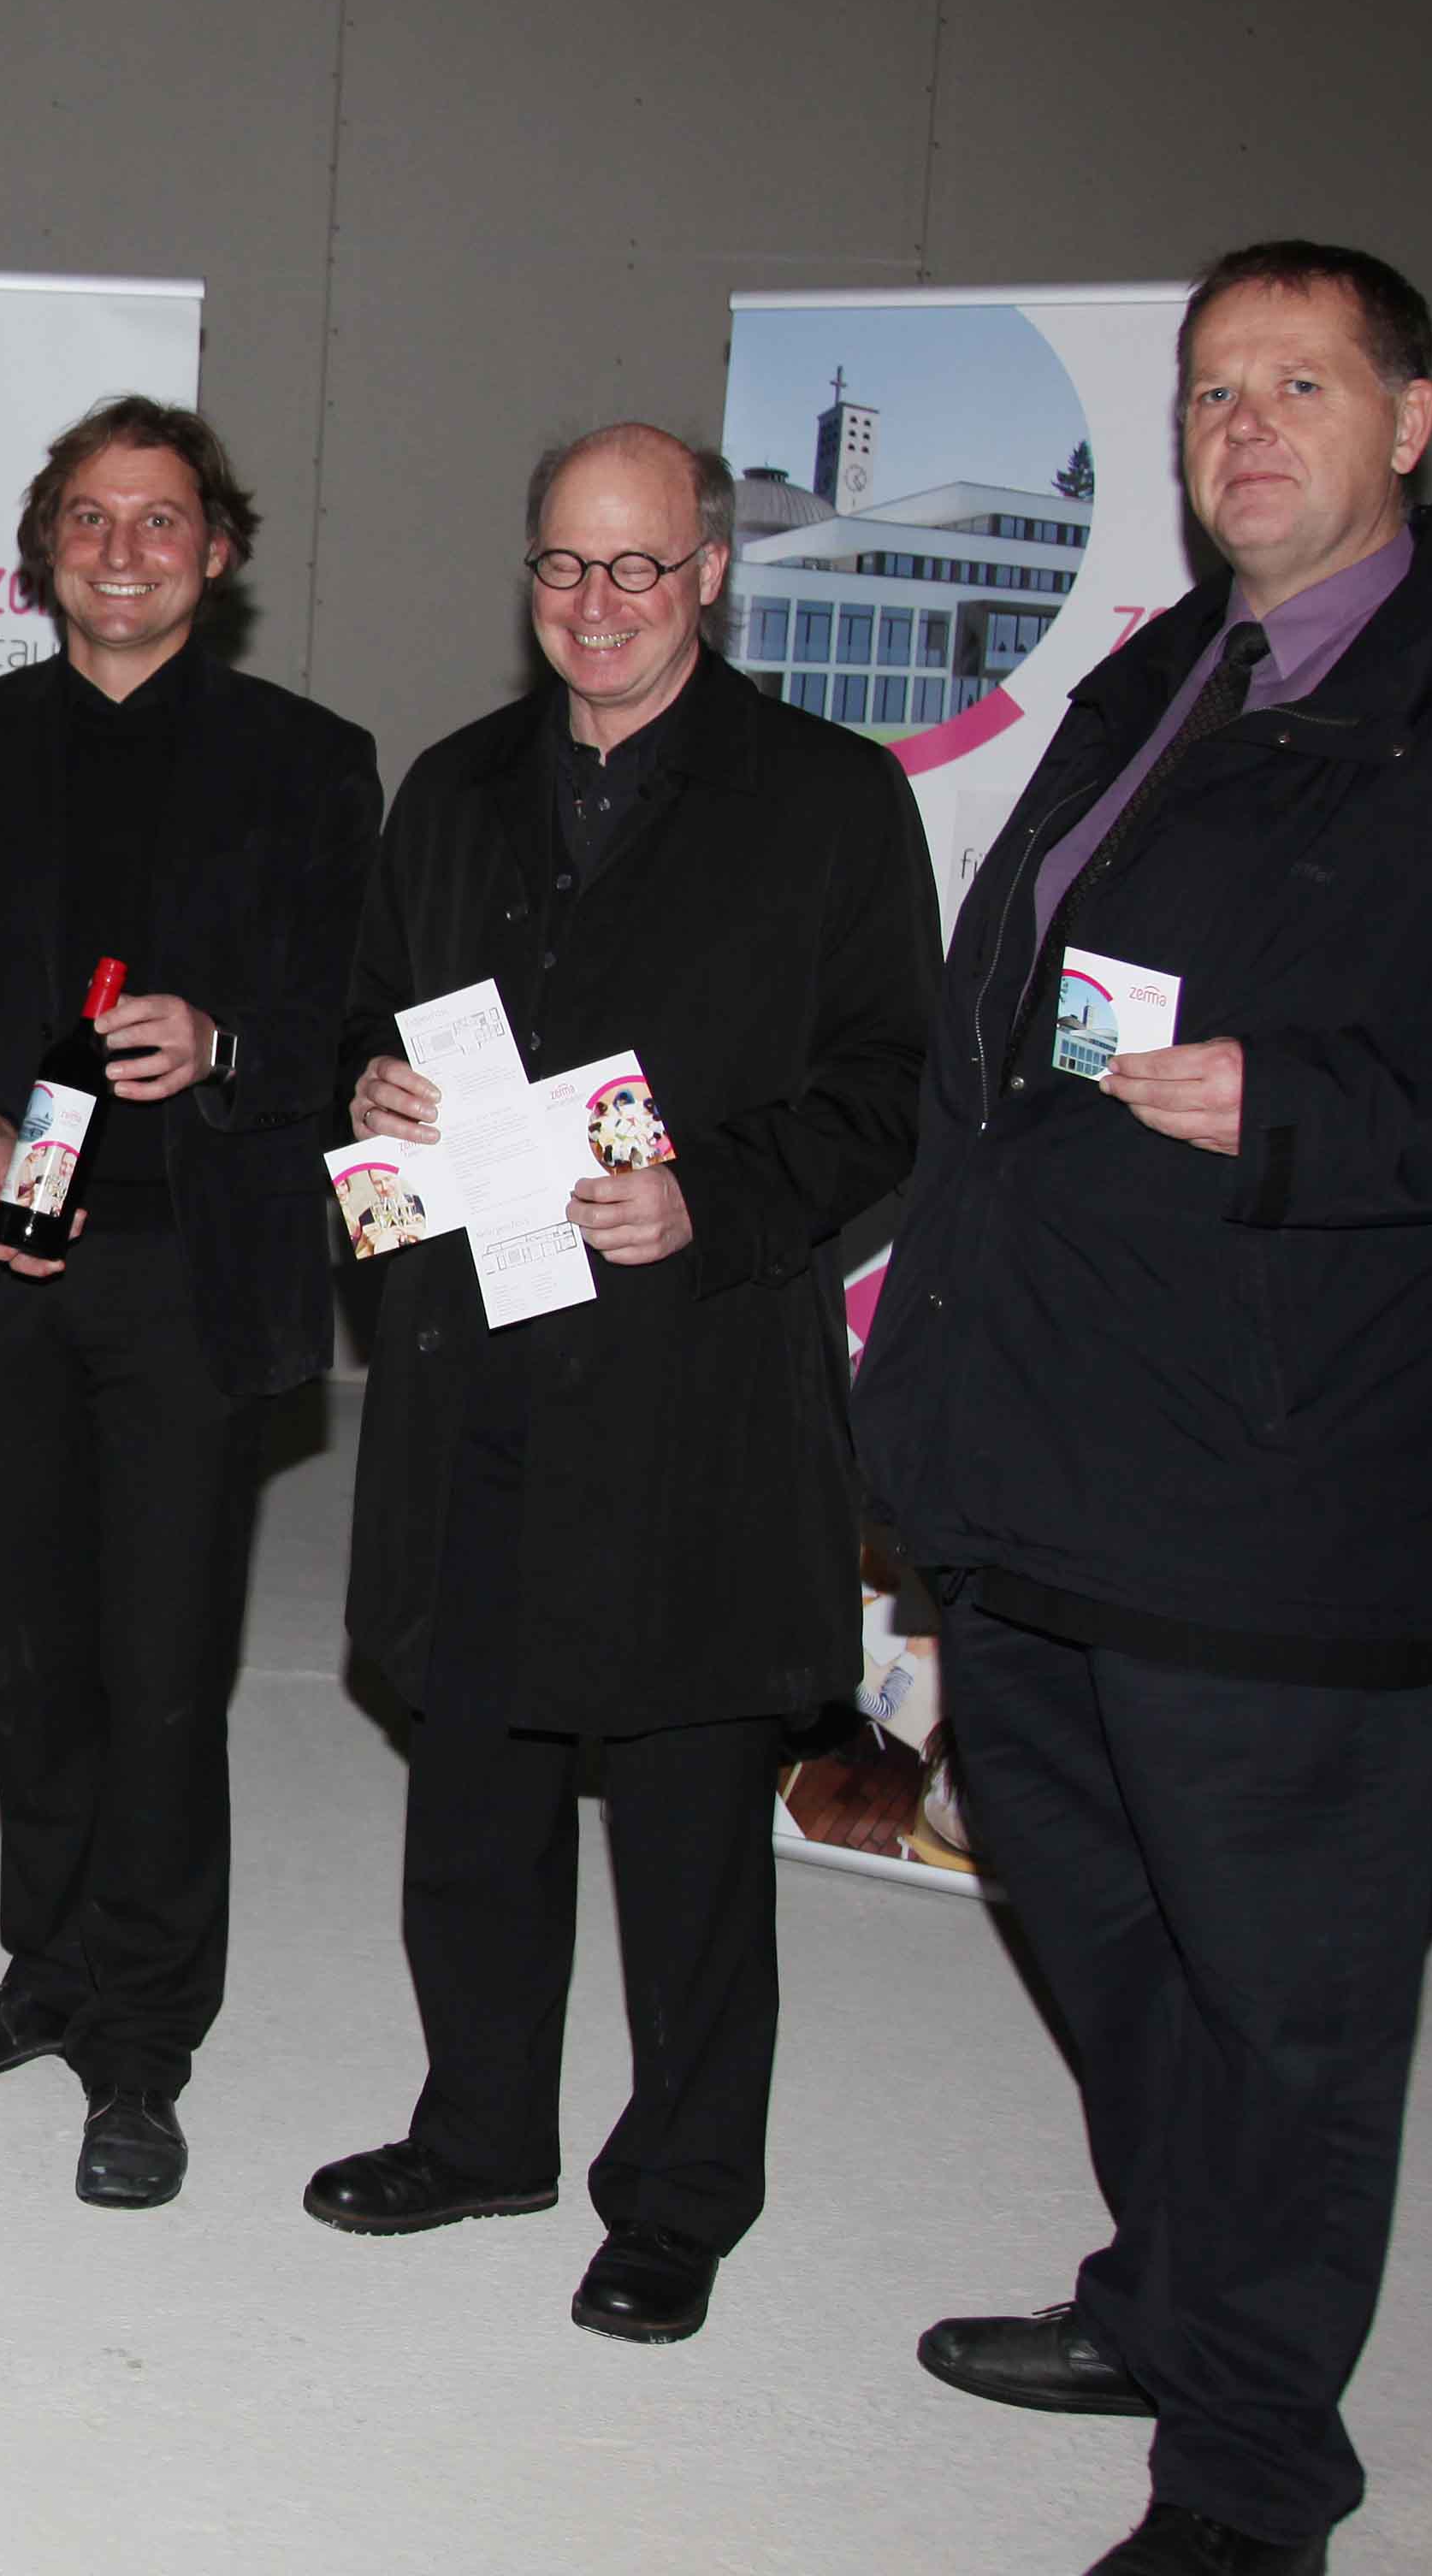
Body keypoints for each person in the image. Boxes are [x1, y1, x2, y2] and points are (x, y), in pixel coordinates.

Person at [857, 245, 1432, 2576]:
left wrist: (1311, 1106)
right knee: (1102, 1925)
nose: (1243, 428)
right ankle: (1171, 2300)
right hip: (1048, 1461)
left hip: (1297, 1487)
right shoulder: (1167, 674)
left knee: (1288, 2005)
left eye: (1300, 384)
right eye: (1212, 391)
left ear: (1410, 420)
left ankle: (1254, 2477)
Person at [299, 422, 936, 2349]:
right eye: (564, 566)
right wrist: (367, 1081)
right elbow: (369, 1011)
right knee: (473, 1790)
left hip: (690, 1381)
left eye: (638, 567)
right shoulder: (454, 786)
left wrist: (708, 1196)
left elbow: (889, 1087)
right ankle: (480, 2128)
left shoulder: (828, 798)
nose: (596, 605)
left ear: (713, 573)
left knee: (683, 1825)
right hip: (473, 1366)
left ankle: (679, 2195)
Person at [0, 394, 379, 2210]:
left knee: (163, 1669)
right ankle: (49, 1966)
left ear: (217, 552)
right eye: (89, 516)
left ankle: (143, 2039)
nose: (124, 547)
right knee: (32, 1652)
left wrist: (223, 1041)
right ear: (43, 554)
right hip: (9, 1259)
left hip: (194, 1272)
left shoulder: (312, 760)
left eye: (161, 518)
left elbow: (353, 1016)